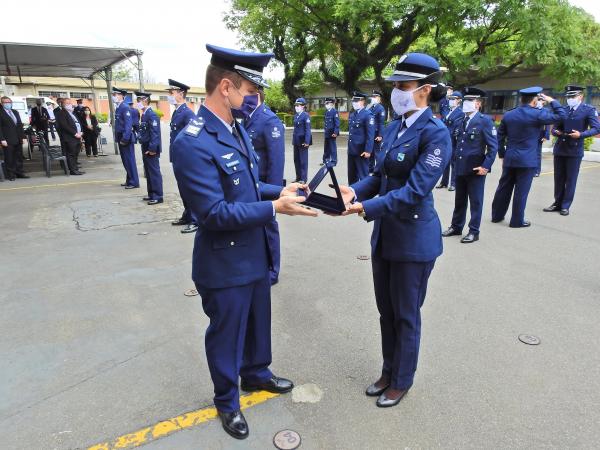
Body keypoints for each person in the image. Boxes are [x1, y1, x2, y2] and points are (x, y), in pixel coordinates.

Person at [171, 43, 317, 440]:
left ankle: (256, 374)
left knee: (257, 324)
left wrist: (282, 189)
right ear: (225, 88)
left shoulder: (234, 128)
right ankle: (227, 401)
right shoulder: (192, 142)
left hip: (252, 253)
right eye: (249, 90)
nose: (253, 97)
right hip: (224, 261)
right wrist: (275, 209)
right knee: (227, 333)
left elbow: (248, 186)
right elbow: (214, 213)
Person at [338, 53, 451, 408]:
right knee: (386, 311)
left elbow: (414, 191)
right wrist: (353, 190)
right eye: (395, 86)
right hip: (386, 236)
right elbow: (379, 176)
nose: (396, 93)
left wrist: (366, 208)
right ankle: (388, 371)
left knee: (405, 314)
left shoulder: (436, 134)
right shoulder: (394, 126)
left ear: (424, 90)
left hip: (413, 241)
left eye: (403, 86)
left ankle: (402, 381)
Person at [491, 87, 566, 227]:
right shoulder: (538, 114)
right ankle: (516, 221)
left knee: (504, 188)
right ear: (534, 100)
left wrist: (502, 154)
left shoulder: (509, 114)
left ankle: (496, 216)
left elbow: (500, 137)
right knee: (521, 191)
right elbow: (562, 116)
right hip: (527, 160)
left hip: (510, 157)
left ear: (521, 99)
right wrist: (552, 101)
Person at [441, 87, 498, 243]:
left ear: (478, 104)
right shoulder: (461, 120)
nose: (466, 104)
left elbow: (493, 147)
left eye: (469, 101)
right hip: (461, 166)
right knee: (459, 200)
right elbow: (457, 143)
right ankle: (456, 226)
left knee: (475, 201)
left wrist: (485, 166)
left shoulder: (485, 121)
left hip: (476, 169)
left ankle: (474, 231)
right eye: (465, 101)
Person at [243, 87, 286, 285]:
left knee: (269, 226)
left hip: (266, 186)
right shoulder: (247, 116)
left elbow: (276, 161)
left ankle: (272, 271)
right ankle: (258, 265)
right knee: (254, 226)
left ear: (255, 94)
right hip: (252, 184)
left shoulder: (269, 120)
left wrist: (275, 193)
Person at [543, 85, 600, 215]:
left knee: (571, 178)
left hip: (574, 149)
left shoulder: (588, 110)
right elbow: (554, 128)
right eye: (568, 96)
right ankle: (557, 202)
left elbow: (596, 128)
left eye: (572, 96)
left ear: (580, 96)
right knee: (558, 178)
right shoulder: (563, 109)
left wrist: (581, 134)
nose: (570, 99)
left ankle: (565, 205)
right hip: (560, 148)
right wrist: (556, 132)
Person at [167, 79, 199, 234]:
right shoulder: (177, 111)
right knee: (182, 189)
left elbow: (193, 138)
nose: (169, 96)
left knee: (189, 189)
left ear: (180, 93)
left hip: (186, 159)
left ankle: (195, 219)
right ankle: (187, 215)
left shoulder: (188, 113)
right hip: (177, 157)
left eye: (171, 93)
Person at [136, 92, 163, 205]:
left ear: (145, 100)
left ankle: (158, 195)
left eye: (139, 101)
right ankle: (151, 193)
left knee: (154, 171)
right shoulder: (144, 114)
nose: (137, 103)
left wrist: (152, 149)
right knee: (148, 171)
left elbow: (155, 134)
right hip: (145, 146)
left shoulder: (151, 115)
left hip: (151, 148)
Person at [437, 91, 465, 190]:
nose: (451, 101)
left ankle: (453, 183)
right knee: (445, 161)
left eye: (454, 99)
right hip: (445, 139)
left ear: (459, 101)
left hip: (454, 139)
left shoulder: (461, 112)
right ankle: (444, 182)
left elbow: (456, 126)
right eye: (450, 99)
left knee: (454, 161)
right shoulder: (448, 111)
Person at [112, 87, 139, 189]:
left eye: (116, 95)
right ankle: (129, 180)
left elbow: (128, 124)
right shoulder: (119, 107)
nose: (114, 96)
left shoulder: (125, 107)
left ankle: (134, 182)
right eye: (113, 95)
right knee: (126, 160)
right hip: (121, 137)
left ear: (122, 96)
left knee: (129, 160)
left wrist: (125, 138)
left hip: (125, 138)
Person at [347, 91, 375, 184]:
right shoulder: (352, 115)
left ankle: (364, 196)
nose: (354, 103)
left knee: (363, 176)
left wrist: (368, 150)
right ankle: (352, 195)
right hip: (352, 150)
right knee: (351, 176)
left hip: (361, 151)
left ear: (362, 101)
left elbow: (370, 134)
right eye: (353, 100)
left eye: (356, 100)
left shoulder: (368, 115)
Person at [0, 96, 29, 180]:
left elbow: (19, 125)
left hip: (18, 138)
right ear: (2, 104)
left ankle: (20, 173)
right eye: (6, 102)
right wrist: (2, 139)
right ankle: (11, 174)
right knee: (9, 158)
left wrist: (23, 137)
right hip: (7, 139)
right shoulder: (1, 113)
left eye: (9, 102)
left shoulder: (15, 112)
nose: (8, 104)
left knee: (19, 157)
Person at [56, 98, 85, 175]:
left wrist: (81, 132)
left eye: (70, 103)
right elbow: (64, 126)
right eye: (67, 103)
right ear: (63, 105)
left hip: (77, 136)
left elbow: (78, 123)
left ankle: (76, 168)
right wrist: (75, 133)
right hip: (70, 137)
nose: (70, 105)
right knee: (71, 154)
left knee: (76, 153)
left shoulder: (72, 113)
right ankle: (73, 170)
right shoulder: (61, 113)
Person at [292, 97, 311, 182]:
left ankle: (303, 179)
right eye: (295, 106)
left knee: (303, 161)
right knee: (296, 160)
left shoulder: (305, 115)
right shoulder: (296, 115)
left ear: (303, 106)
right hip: (296, 141)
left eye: (298, 105)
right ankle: (298, 177)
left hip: (303, 141)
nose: (296, 107)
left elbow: (308, 129)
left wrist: (307, 141)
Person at [369, 90, 386, 173]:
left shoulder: (380, 108)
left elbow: (381, 123)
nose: (373, 98)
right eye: (372, 97)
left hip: (376, 134)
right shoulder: (371, 107)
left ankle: (379, 170)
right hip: (371, 133)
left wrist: (380, 135)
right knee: (371, 152)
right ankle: (371, 169)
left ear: (379, 98)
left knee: (377, 153)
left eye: (375, 97)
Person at [322, 97, 339, 166]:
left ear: (331, 104)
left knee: (332, 147)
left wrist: (335, 132)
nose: (326, 104)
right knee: (326, 147)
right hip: (327, 132)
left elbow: (337, 123)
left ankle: (334, 161)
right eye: (325, 103)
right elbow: (325, 122)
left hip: (332, 133)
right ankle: (326, 160)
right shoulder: (326, 112)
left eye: (327, 103)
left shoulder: (334, 111)